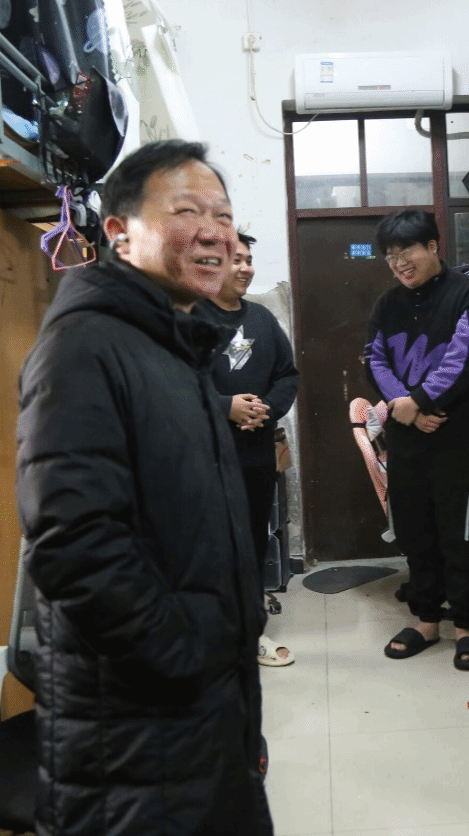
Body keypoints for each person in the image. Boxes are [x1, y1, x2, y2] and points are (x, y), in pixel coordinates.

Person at [15, 140, 272, 836]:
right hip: (136, 729)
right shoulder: (83, 347)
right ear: (119, 232)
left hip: (201, 706)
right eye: (187, 212)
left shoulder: (173, 345)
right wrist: (184, 658)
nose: (214, 232)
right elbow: (72, 543)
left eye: (223, 215)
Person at [364, 210, 469, 671]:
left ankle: (466, 625)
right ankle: (426, 621)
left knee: (458, 533)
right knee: (416, 530)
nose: (399, 263)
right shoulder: (387, 304)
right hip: (407, 438)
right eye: (390, 256)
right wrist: (405, 406)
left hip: (459, 436)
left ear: (433, 246)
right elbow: (374, 359)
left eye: (407, 251)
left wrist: (417, 401)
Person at [194, 230, 300, 667]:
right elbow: (173, 384)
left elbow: (287, 374)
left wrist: (265, 410)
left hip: (255, 453)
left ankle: (251, 631)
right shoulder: (189, 318)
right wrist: (226, 407)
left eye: (247, 260)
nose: (244, 268)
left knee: (253, 541)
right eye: (233, 259)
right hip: (205, 457)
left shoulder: (261, 319)